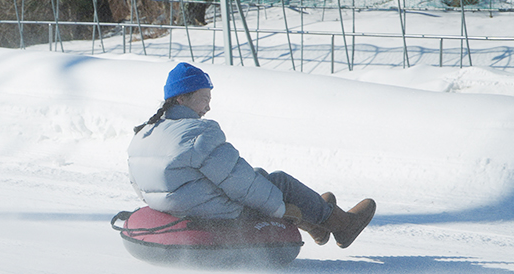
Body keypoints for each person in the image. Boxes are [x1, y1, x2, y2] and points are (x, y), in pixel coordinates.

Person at [127, 63, 375, 248]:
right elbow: (240, 184)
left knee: (258, 177)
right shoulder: (198, 132)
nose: (208, 107)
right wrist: (280, 208)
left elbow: (143, 188)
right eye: (204, 99)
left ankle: (316, 224)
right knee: (278, 182)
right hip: (217, 212)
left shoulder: (144, 134)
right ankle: (342, 225)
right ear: (182, 98)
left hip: (185, 206)